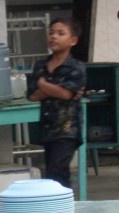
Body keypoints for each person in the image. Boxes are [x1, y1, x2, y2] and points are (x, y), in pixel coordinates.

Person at [27, 18, 87, 190]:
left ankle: (64, 202)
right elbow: (32, 95)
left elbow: (66, 93)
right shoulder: (41, 65)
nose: (54, 37)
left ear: (72, 40)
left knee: (58, 169)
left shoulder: (76, 67)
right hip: (47, 128)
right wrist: (54, 88)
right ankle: (60, 201)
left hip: (67, 130)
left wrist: (42, 84)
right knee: (51, 173)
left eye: (61, 33)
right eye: (51, 32)